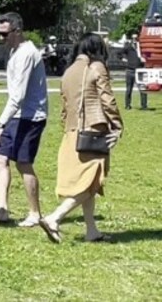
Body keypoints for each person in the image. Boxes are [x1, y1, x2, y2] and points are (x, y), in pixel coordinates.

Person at [38, 33, 123, 243]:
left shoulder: (67, 72)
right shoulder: (96, 68)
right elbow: (108, 100)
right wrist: (118, 125)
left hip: (72, 132)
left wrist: (67, 130)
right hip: (93, 130)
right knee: (91, 182)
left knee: (87, 181)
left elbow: (64, 107)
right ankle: (54, 218)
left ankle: (92, 231)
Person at [0, 12, 48, 227]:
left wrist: (0, 124)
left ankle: (35, 213)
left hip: (30, 117)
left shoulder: (27, 54)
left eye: (5, 34)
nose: (1, 38)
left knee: (23, 164)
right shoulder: (14, 51)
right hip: (16, 115)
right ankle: (1, 209)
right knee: (0, 159)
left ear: (17, 31)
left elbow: (18, 96)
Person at [117, 34, 147, 110]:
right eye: (133, 38)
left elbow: (148, 54)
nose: (135, 39)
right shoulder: (129, 46)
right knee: (129, 89)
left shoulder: (141, 46)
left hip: (140, 70)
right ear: (131, 38)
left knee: (142, 88)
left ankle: (144, 105)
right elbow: (119, 53)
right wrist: (123, 59)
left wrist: (145, 58)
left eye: (136, 38)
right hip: (130, 70)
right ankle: (127, 105)